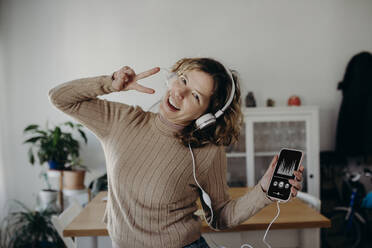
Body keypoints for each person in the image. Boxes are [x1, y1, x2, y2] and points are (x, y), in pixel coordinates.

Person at [48, 57, 304, 248]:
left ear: (207, 115)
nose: (179, 93)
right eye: (182, 80)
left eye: (195, 95)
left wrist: (264, 192)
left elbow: (220, 216)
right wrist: (109, 83)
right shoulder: (121, 121)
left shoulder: (206, 151)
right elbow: (59, 98)